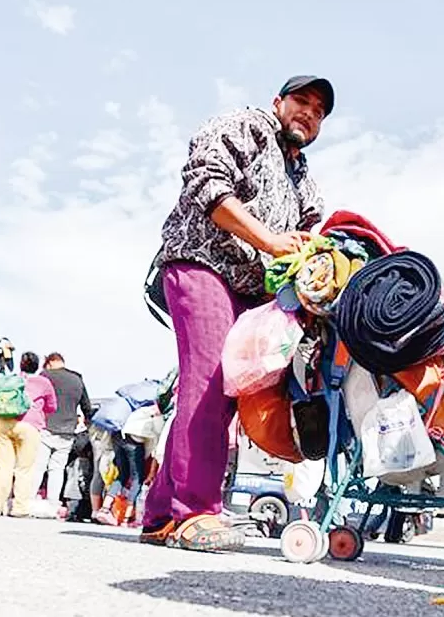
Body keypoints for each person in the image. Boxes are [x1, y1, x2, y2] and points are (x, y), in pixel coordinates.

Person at [140, 75, 334, 551]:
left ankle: (162, 512)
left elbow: (311, 238)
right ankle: (195, 512)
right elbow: (206, 185)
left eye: (318, 110)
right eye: (301, 101)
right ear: (278, 103)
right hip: (202, 261)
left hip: (253, 288)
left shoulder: (304, 180)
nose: (308, 113)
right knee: (210, 381)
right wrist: (268, 240)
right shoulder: (245, 126)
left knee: (230, 394)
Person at [0, 351, 57, 517]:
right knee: (24, 469)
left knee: (1, 467)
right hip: (29, 426)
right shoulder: (43, 382)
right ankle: (19, 508)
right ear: (37, 366)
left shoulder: (10, 379)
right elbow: (52, 407)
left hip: (4, 422)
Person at [37, 353, 91, 513]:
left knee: (39, 467)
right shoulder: (77, 379)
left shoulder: (44, 376)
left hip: (46, 427)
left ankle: (29, 500)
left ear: (50, 363)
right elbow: (86, 407)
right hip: (67, 430)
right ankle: (53, 504)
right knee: (57, 468)